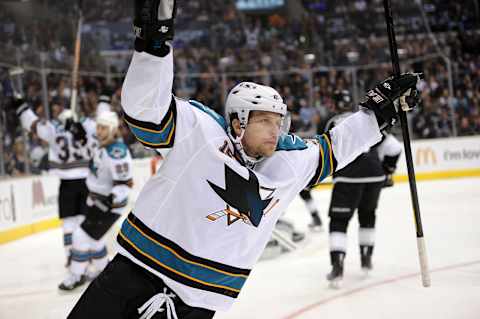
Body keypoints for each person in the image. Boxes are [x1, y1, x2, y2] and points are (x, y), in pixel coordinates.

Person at [67, 1, 420, 318]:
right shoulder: (200, 131)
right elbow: (146, 111)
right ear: (237, 122)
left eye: (278, 120)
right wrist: (153, 46)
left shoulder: (289, 163)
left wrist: (377, 113)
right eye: (264, 120)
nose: (275, 129)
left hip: (199, 304)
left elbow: (336, 147)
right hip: (134, 273)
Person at [324, 90, 403, 288]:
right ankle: (366, 260)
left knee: (339, 221)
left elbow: (323, 152)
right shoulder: (365, 119)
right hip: (375, 176)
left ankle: (338, 266)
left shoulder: (331, 122)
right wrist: (387, 171)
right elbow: (394, 148)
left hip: (347, 178)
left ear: (333, 105)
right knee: (367, 216)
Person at [59, 110, 133, 291]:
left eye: (103, 127)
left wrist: (110, 201)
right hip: (96, 201)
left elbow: (124, 183)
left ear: (112, 129)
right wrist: (73, 125)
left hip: (108, 206)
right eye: (98, 127)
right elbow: (85, 136)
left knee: (80, 236)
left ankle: (76, 275)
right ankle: (103, 271)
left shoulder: (117, 152)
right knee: (95, 241)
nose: (98, 131)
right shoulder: (103, 143)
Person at [16, 101, 94, 267]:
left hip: (66, 183)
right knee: (82, 219)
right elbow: (102, 133)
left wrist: (22, 109)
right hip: (85, 181)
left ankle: (70, 255)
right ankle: (85, 253)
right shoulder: (88, 125)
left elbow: (33, 125)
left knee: (68, 222)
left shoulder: (53, 127)